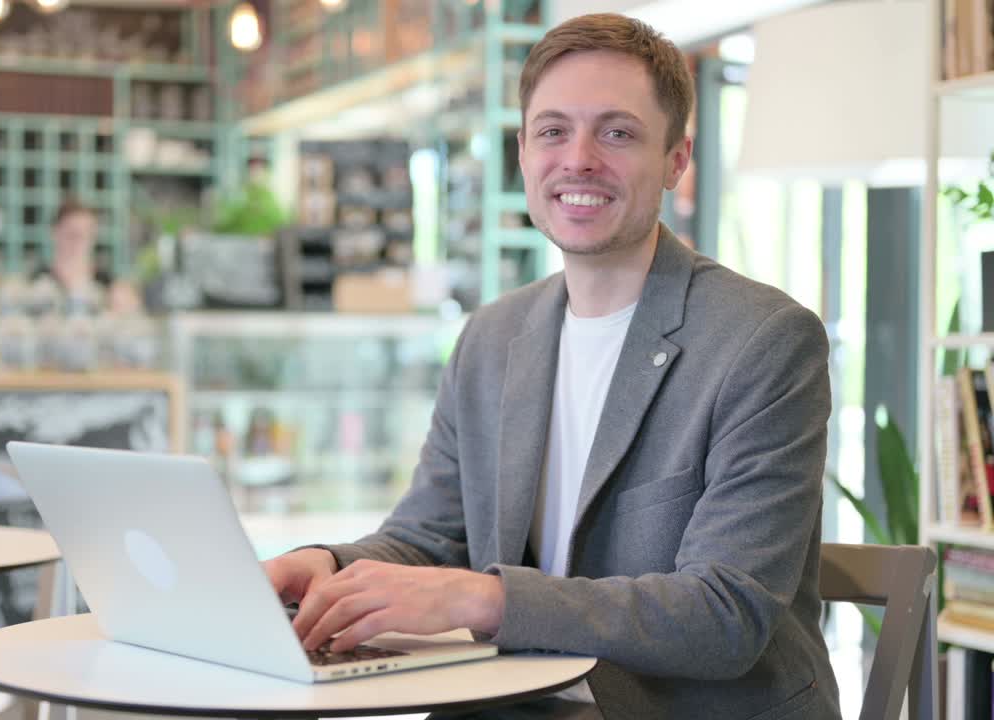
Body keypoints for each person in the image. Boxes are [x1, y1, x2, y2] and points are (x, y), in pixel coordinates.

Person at [262, 13, 839, 720]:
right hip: (512, 704)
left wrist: (485, 597)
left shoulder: (766, 341)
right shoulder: (491, 337)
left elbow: (725, 616)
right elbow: (429, 537)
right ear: (524, 152)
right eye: (553, 131)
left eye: (617, 133)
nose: (579, 159)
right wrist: (330, 564)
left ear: (676, 160)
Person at [34, 198, 139, 313]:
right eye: (71, 232)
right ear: (55, 232)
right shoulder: (34, 284)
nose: (79, 240)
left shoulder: (112, 289)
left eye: (86, 233)